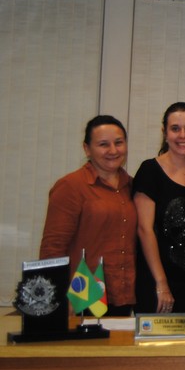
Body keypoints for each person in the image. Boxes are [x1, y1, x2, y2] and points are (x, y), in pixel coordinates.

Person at [40, 115, 137, 316]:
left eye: (119, 143)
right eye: (103, 144)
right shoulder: (71, 187)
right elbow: (52, 248)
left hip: (123, 295)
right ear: (87, 149)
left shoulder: (133, 186)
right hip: (83, 297)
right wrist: (57, 296)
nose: (113, 150)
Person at [133, 102, 185, 314]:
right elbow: (144, 230)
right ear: (164, 132)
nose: (182, 135)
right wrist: (161, 283)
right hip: (157, 282)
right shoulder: (149, 171)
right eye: (175, 128)